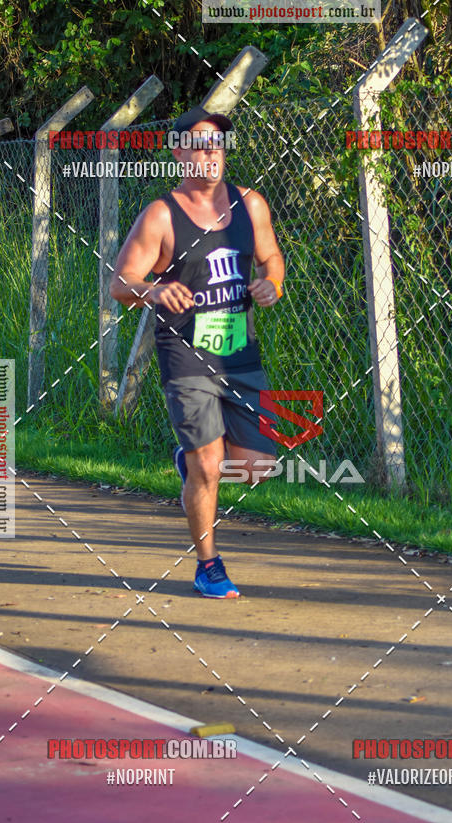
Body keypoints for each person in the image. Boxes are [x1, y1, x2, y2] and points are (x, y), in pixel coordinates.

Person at [110, 106, 285, 598]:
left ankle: (189, 464)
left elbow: (271, 257)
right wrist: (154, 291)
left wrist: (271, 284)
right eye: (200, 145)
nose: (211, 153)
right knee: (209, 464)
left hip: (239, 351)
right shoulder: (161, 215)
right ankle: (209, 566)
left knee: (257, 467)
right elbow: (121, 283)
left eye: (217, 145)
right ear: (178, 152)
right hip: (185, 353)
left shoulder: (251, 204)